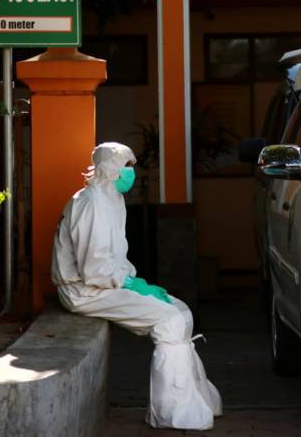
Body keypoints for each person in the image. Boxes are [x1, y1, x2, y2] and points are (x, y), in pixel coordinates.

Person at [51, 142, 222, 430]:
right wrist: (128, 282)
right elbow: (93, 269)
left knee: (181, 310)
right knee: (171, 321)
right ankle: (172, 412)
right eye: (126, 166)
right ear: (110, 169)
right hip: (84, 291)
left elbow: (115, 254)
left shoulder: (111, 199)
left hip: (105, 284)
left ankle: (196, 400)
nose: (132, 172)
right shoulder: (90, 202)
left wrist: (132, 280)